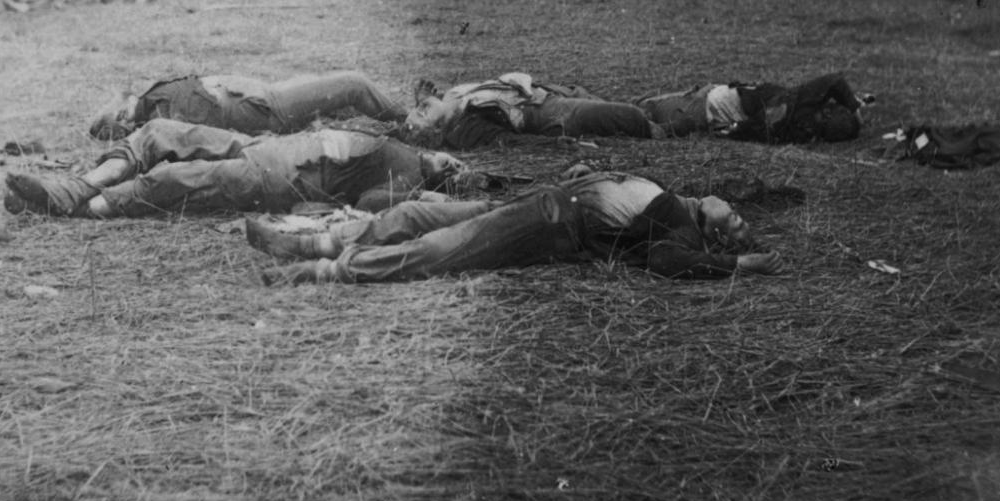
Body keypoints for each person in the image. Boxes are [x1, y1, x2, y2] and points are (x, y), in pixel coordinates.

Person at [249, 165, 783, 285]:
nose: (733, 215)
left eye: (733, 224)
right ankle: (307, 241)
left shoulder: (682, 230)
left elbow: (667, 262)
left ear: (713, 235)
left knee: (442, 248)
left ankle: (316, 271)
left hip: (552, 225)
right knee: (415, 213)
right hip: (543, 199)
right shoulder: (679, 199)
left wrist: (736, 263)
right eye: (737, 216)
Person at [3, 119, 474, 218]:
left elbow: (371, 204)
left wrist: (415, 194)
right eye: (455, 157)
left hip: (277, 178)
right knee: (162, 131)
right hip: (269, 146)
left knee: (169, 179)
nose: (450, 160)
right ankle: (75, 185)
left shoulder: (408, 177)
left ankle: (65, 206)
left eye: (452, 168)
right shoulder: (400, 146)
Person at [89, 71, 408, 140]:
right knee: (354, 84)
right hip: (271, 108)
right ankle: (413, 122)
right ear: (122, 116)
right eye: (122, 103)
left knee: (344, 90)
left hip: (265, 96)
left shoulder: (155, 103)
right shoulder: (162, 112)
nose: (129, 94)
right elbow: (212, 135)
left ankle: (409, 120)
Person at [403, 72, 657, 149]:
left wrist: (425, 101)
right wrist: (558, 145)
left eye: (418, 108)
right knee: (631, 116)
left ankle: (672, 112)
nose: (419, 109)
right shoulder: (464, 129)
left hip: (556, 92)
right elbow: (509, 142)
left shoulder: (451, 97)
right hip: (556, 114)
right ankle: (667, 131)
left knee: (646, 108)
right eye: (422, 115)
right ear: (438, 131)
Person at [635, 72, 869, 144]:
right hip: (707, 103)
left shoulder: (798, 105)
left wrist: (854, 107)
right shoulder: (794, 119)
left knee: (645, 109)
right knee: (648, 110)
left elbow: (836, 82)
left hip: (707, 104)